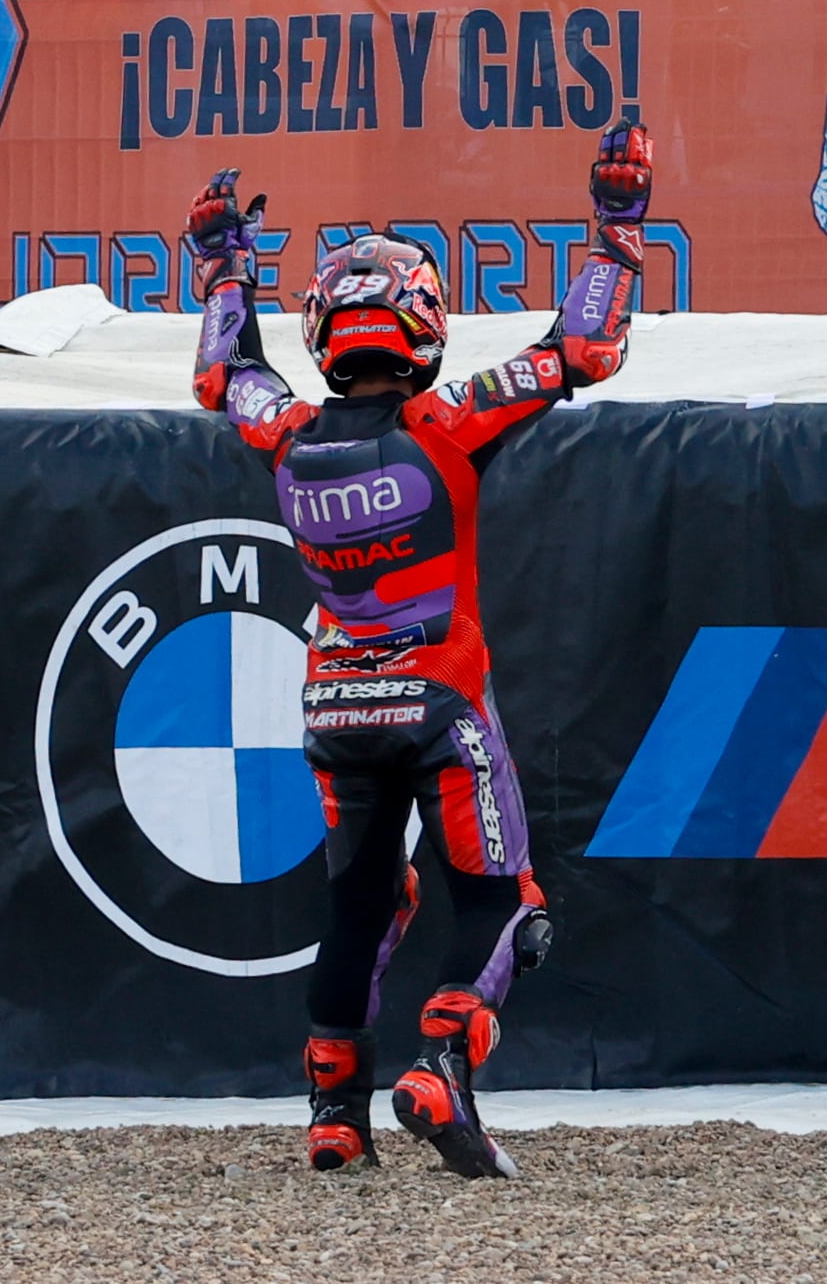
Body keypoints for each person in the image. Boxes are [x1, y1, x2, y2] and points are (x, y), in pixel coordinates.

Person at [186, 131, 642, 1182]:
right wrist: (615, 231)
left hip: (333, 710)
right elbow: (584, 351)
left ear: (326, 332)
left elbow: (224, 375)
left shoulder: (288, 435)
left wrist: (221, 264)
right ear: (423, 323)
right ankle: (441, 1067)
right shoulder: (449, 421)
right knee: (504, 903)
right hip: (441, 700)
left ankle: (332, 1113)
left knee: (360, 903)